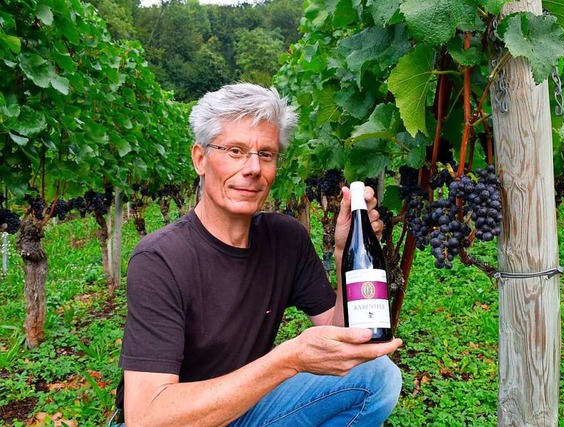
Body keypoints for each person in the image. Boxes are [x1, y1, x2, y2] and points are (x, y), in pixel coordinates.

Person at [116, 83, 403, 426]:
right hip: (180, 416)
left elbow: (336, 329)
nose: (253, 168)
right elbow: (147, 418)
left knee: (378, 376)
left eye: (265, 154)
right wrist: (289, 359)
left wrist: (344, 252)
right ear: (200, 159)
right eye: (235, 151)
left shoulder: (286, 238)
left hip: (244, 405)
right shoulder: (159, 258)